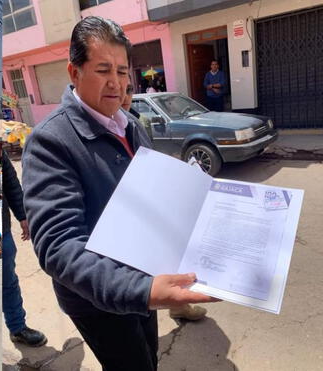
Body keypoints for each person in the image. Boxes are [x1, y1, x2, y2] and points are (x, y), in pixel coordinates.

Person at [21, 16, 217, 370]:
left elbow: (151, 196)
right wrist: (141, 292)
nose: (116, 83)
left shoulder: (131, 126)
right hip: (99, 299)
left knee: (149, 358)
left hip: (146, 280)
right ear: (74, 72)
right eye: (103, 70)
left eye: (123, 72)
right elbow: (57, 246)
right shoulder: (51, 141)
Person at [1, 150, 47, 347]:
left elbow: (10, 182)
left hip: (0, 229)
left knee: (8, 281)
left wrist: (22, 215)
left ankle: (17, 327)